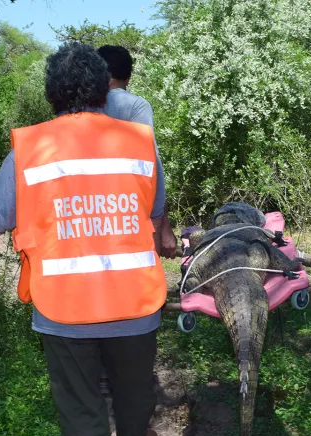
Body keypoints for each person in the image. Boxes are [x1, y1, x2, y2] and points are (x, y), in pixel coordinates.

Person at [0, 43, 173, 436]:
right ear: (104, 89)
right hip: (135, 303)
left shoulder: (29, 151)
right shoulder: (140, 143)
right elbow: (155, 215)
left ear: (51, 94)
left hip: (63, 308)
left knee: (82, 410)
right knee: (135, 392)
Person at [96, 44, 177, 398]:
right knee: (129, 290)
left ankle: (100, 372)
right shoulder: (134, 106)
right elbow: (150, 167)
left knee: (95, 286)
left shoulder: (80, 106)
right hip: (128, 215)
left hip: (87, 215)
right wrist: (163, 224)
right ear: (128, 75)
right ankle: (128, 373)